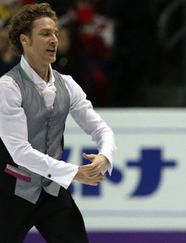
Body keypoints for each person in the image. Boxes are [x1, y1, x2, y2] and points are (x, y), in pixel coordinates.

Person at [0, 3, 116, 243]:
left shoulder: (67, 84)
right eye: (44, 34)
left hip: (51, 190)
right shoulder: (7, 88)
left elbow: (99, 128)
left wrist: (105, 156)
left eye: (54, 32)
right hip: (9, 191)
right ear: (25, 40)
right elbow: (20, 152)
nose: (54, 39)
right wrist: (75, 172)